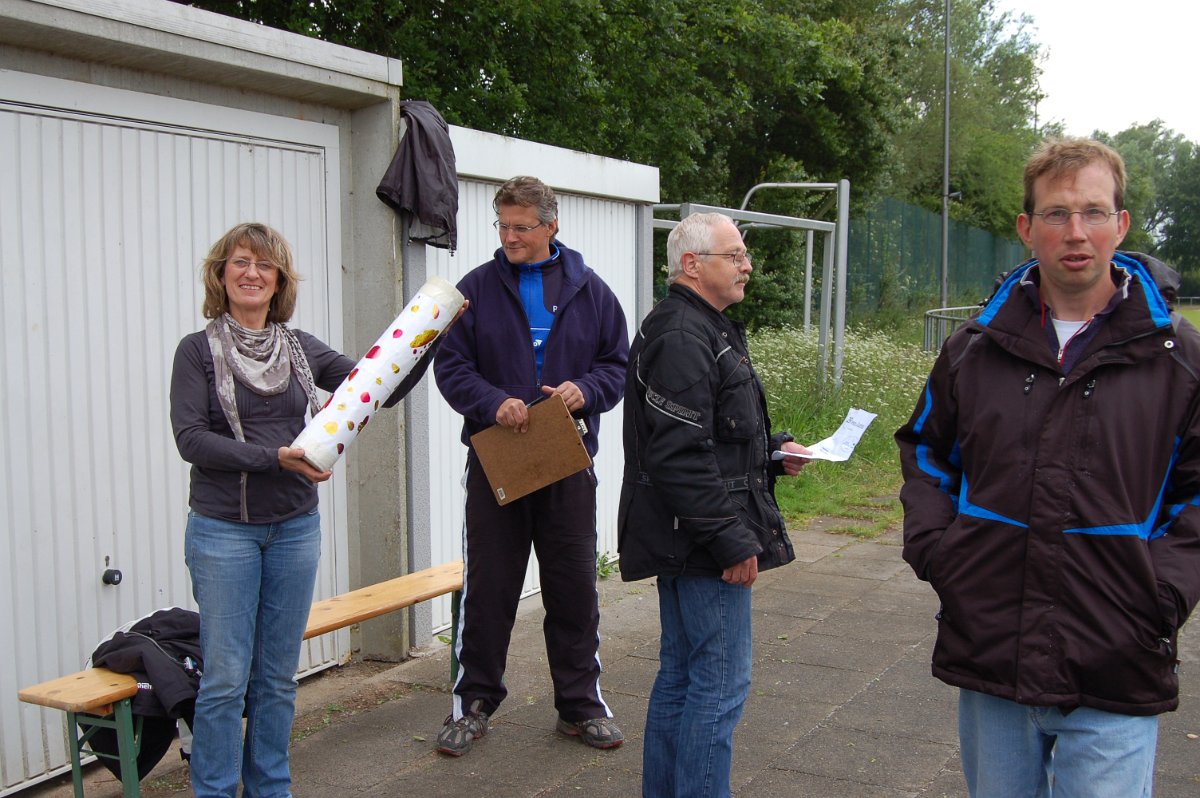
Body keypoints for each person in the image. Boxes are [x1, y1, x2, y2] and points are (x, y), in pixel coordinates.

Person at [896, 138, 1200, 797]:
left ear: (1120, 225)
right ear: (1027, 229)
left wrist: (1162, 593)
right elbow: (925, 452)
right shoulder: (973, 349)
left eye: (1093, 212)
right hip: (993, 648)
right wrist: (941, 553)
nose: (1076, 232)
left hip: (1117, 655)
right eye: (1057, 214)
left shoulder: (1178, 357)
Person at [170, 222, 440, 797]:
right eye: (240, 262)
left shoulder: (298, 346)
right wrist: (277, 457)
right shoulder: (197, 352)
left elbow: (378, 384)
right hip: (224, 533)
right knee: (224, 678)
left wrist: (429, 334)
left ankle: (271, 787)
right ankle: (215, 791)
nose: (251, 274)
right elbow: (191, 439)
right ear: (221, 274)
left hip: (294, 528)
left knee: (274, 678)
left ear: (279, 281)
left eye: (264, 266)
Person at [432, 176, 630, 756]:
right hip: (498, 460)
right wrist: (493, 402)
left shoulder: (592, 292)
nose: (509, 237)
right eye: (502, 225)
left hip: (568, 463)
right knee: (490, 588)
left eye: (521, 227)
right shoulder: (474, 290)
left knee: (573, 587)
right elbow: (452, 367)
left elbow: (616, 366)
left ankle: (579, 705)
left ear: (551, 226)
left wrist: (584, 391)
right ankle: (473, 704)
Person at [617, 211, 810, 798]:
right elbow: (677, 455)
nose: (748, 265)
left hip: (690, 532)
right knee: (718, 683)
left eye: (745, 254)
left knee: (683, 674)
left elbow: (709, 433)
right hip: (701, 541)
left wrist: (774, 452)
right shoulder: (682, 334)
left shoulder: (703, 326)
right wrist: (730, 540)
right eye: (736, 255)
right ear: (693, 265)